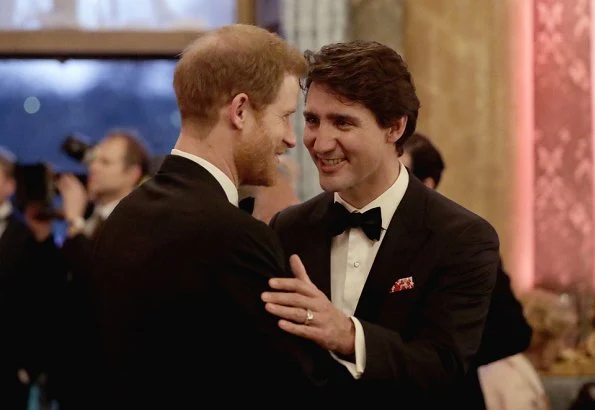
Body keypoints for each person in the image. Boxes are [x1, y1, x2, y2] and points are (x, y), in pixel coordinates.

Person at [90, 24, 343, 409]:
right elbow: (297, 390)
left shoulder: (124, 214)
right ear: (240, 111)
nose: (292, 139)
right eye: (285, 116)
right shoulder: (235, 237)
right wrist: (323, 326)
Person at [261, 40, 500, 405]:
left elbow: (443, 369)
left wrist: (348, 336)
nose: (320, 143)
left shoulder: (462, 238)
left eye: (342, 122)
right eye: (312, 120)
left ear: (394, 127)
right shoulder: (287, 228)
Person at [402, 132, 533, 409]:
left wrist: (441, 357)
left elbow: (515, 332)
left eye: (399, 173)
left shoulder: (467, 242)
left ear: (427, 184)